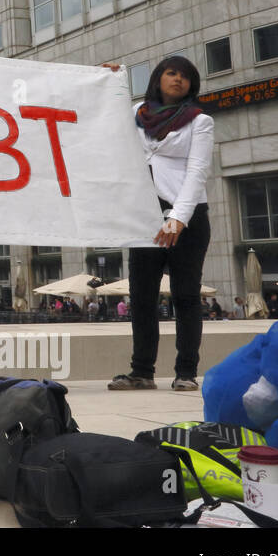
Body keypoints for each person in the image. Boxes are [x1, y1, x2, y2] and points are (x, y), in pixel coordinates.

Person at [106, 56, 214, 393]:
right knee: (141, 297)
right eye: (171, 73)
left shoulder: (200, 121)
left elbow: (197, 172)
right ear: (158, 79)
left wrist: (177, 218)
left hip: (187, 216)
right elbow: (106, 118)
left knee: (185, 296)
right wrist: (108, 81)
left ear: (192, 85)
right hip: (144, 217)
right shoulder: (137, 115)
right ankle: (142, 372)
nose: (178, 80)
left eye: (185, 76)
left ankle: (186, 372)